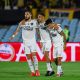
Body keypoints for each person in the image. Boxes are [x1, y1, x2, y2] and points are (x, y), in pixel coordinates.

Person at [9, 9, 40, 76]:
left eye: (27, 14)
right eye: (25, 14)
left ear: (30, 15)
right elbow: (17, 30)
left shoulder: (34, 22)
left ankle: (37, 70)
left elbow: (37, 31)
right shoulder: (22, 22)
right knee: (28, 57)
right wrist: (13, 36)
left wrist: (40, 39)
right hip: (25, 43)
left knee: (34, 56)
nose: (26, 15)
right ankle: (32, 72)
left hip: (32, 42)